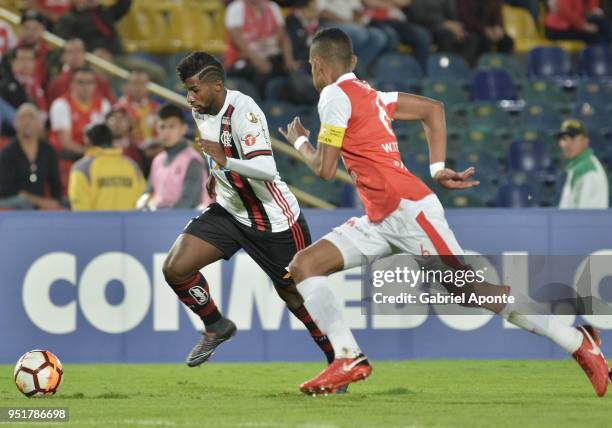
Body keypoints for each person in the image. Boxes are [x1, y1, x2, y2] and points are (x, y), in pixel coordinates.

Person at [278, 28, 609, 396]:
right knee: (304, 266)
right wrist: (436, 169)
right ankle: (348, 356)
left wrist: (301, 142)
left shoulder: (333, 95)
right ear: (353, 62)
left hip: (408, 212)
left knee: (472, 290)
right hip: (379, 217)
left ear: (318, 66)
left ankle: (576, 340)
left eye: (311, 67)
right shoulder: (374, 95)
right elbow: (432, 109)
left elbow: (324, 168)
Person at [161, 51, 336, 371]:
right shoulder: (202, 108)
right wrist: (216, 175)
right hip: (229, 210)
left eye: (194, 90)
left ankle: (337, 357)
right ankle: (216, 326)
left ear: (216, 86)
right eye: (186, 90)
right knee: (175, 268)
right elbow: (213, 148)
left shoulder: (244, 113)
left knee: (294, 295)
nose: (189, 98)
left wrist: (225, 162)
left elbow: (267, 169)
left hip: (274, 219)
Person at [49, 66, 112, 193]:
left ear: (95, 85)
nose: (85, 87)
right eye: (80, 82)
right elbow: (65, 142)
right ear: (72, 84)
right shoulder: (61, 104)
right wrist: (91, 153)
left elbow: (107, 137)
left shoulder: (103, 104)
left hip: (96, 159)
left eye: (89, 82)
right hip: (68, 160)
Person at [135, 103, 208, 210]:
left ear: (184, 129)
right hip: (162, 220)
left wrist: (161, 217)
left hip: (186, 223)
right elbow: (147, 192)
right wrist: (142, 203)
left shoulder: (192, 160)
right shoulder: (157, 160)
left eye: (172, 126)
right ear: (157, 129)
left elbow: (189, 202)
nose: (166, 132)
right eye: (162, 127)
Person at [224, 0, 300, 95]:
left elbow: (283, 37)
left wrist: (289, 60)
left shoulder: (272, 7)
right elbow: (237, 39)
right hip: (244, 59)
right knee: (260, 74)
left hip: (271, 57)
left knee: (292, 74)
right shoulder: (236, 7)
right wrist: (258, 61)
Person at [68, 123, 144, 210]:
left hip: (96, 223)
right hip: (129, 223)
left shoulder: (81, 168)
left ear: (88, 141)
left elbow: (80, 207)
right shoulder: (131, 166)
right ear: (112, 141)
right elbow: (142, 200)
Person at [0, 103, 61, 210]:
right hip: (11, 202)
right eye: (22, 117)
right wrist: (39, 202)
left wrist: (56, 201)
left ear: (39, 123)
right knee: (23, 203)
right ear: (15, 123)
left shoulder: (48, 151)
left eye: (31, 117)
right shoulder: (8, 153)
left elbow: (55, 184)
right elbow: (7, 190)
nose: (27, 122)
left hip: (38, 202)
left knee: (67, 202)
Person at [318, 0, 389, 75]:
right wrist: (346, 22)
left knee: (378, 36)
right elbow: (322, 12)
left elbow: (356, 11)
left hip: (351, 24)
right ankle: (340, 69)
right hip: (330, 23)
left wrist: (358, 19)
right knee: (359, 34)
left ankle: (357, 69)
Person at [406, 0, 480, 65]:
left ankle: (459, 68)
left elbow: (452, 13)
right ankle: (442, 70)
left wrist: (457, 28)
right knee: (446, 36)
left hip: (447, 27)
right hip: (426, 26)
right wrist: (443, 23)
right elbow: (418, 14)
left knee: (472, 38)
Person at [364, 0, 433, 70]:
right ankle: (380, 70)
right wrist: (392, 3)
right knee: (391, 36)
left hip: (397, 21)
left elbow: (405, 2)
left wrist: (383, 3)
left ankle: (420, 74)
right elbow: (369, 2)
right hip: (374, 20)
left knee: (422, 35)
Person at [557, 119, 609, 209]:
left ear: (585, 141)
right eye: (564, 139)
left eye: (572, 138)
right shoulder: (577, 167)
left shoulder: (589, 171)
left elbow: (586, 218)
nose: (567, 144)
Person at [46, 38, 115, 104]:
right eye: (71, 52)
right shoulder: (56, 84)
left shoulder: (100, 80)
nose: (75, 55)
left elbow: (112, 106)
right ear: (63, 57)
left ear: (85, 54)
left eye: (79, 51)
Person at [114, 70, 158, 144]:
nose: (138, 88)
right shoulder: (119, 109)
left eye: (142, 83)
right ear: (126, 87)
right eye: (134, 83)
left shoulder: (155, 108)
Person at [0, 45, 47, 113]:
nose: (26, 63)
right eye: (22, 59)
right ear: (13, 62)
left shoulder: (39, 84)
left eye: (29, 59)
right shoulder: (4, 86)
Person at [545, 0, 612, 44]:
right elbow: (565, 11)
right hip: (558, 28)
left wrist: (594, 11)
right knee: (597, 38)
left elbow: (590, 8)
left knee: (602, 22)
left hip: (575, 25)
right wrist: (583, 26)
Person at [105, 106, 145, 174]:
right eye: (113, 119)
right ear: (106, 123)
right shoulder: (101, 151)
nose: (117, 122)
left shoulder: (137, 151)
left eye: (122, 118)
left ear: (129, 123)